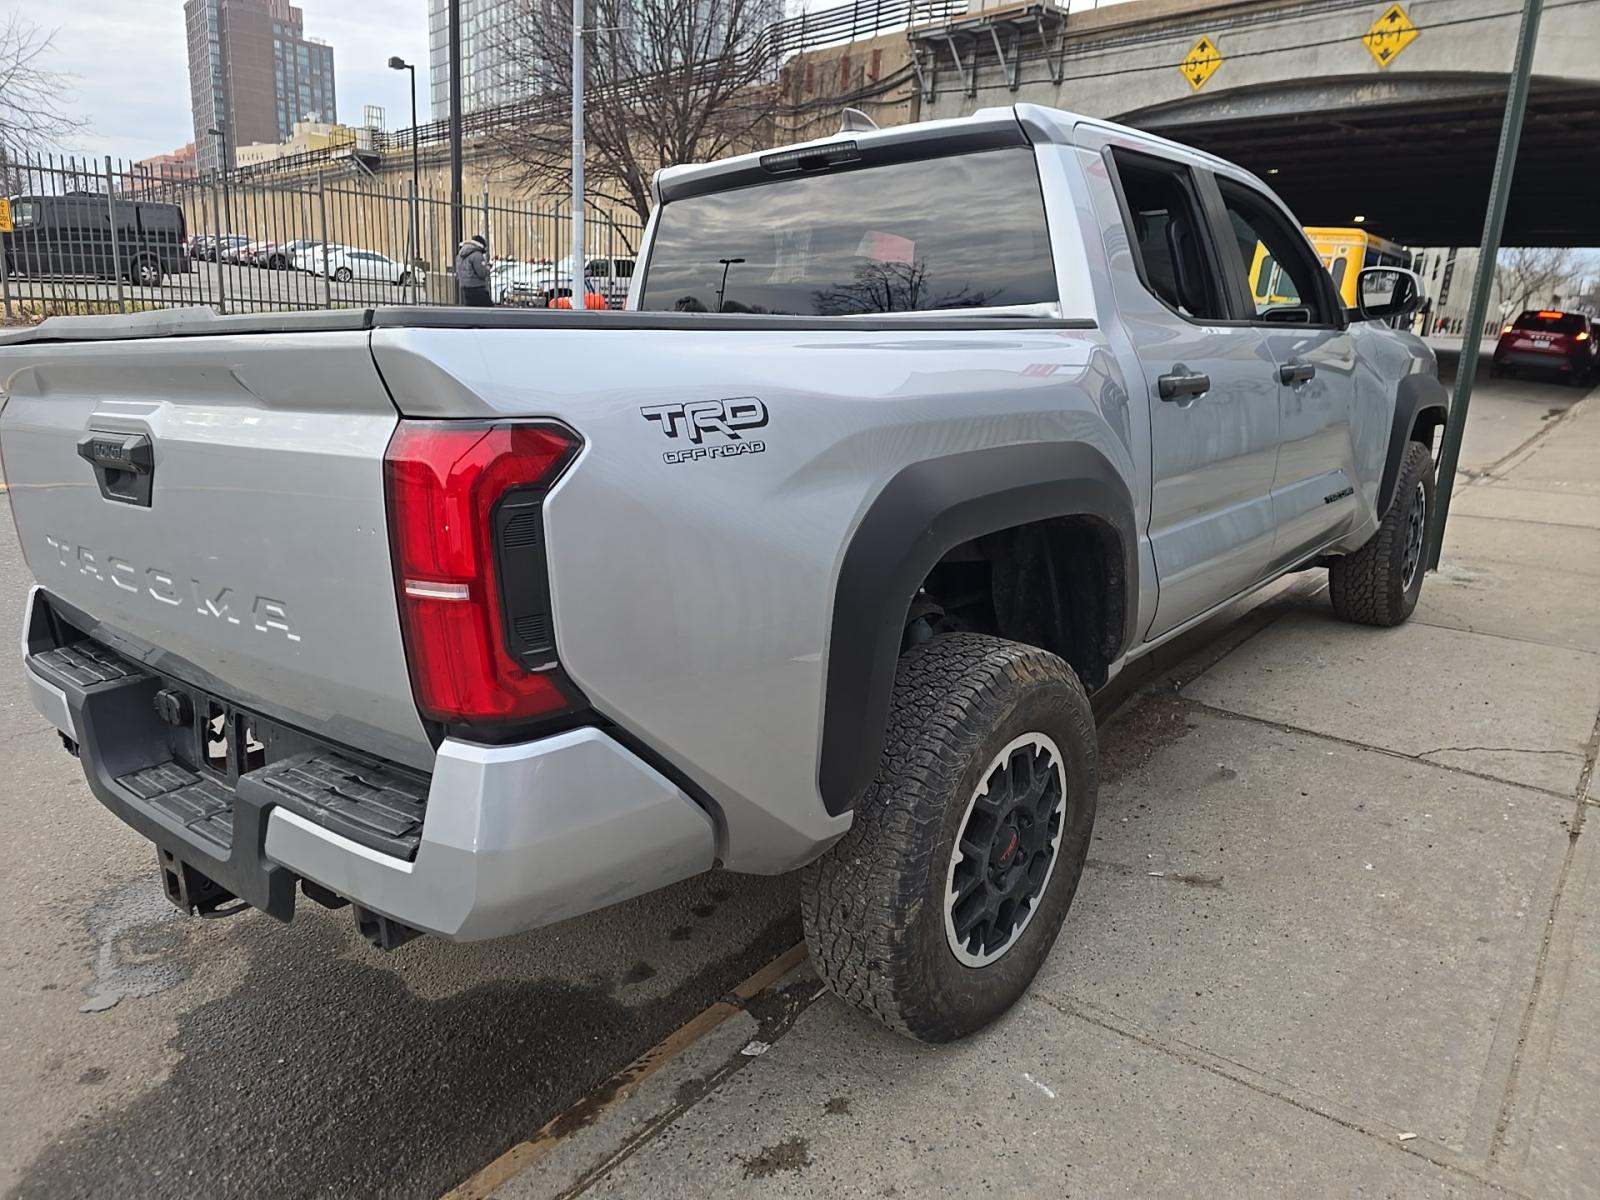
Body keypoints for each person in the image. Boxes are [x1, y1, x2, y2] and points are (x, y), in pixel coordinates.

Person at [456, 233, 492, 307]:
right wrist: (487, 268)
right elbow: (482, 273)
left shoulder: (460, 254)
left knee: (472, 311)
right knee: (488, 309)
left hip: (465, 287)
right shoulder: (477, 255)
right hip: (477, 288)